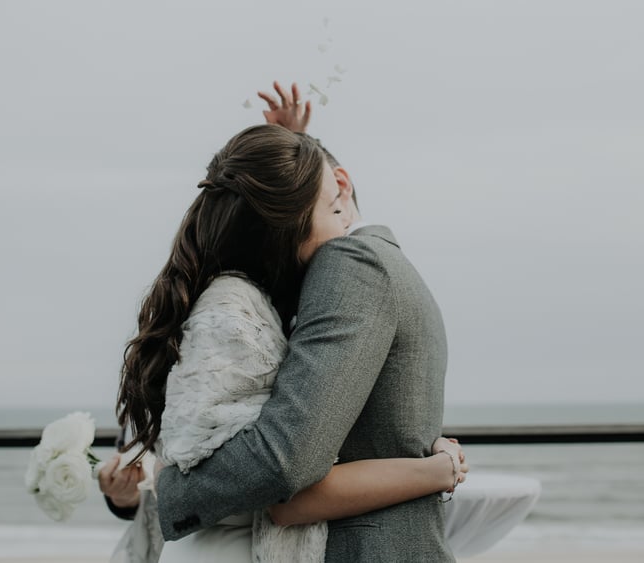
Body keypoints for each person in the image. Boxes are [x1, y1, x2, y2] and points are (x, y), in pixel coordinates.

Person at [104, 93, 461, 562]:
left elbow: (287, 458)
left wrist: (168, 489)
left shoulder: (350, 262)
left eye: (290, 235)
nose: (289, 259)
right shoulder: (373, 259)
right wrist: (295, 144)